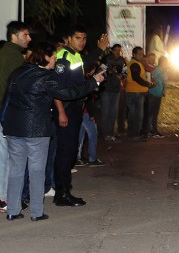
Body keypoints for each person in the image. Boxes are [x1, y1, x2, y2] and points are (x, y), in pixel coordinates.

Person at [2, 42, 104, 221]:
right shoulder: (45, 78)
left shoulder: (18, 72)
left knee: (16, 170)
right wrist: (93, 81)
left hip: (13, 127)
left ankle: (12, 210)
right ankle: (36, 212)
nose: (56, 61)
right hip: (36, 129)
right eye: (54, 58)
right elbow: (70, 92)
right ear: (46, 57)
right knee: (37, 170)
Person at [52, 25, 108, 207]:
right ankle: (61, 193)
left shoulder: (75, 55)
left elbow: (86, 64)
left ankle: (65, 190)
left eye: (84, 38)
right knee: (65, 151)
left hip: (76, 108)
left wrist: (99, 50)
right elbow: (56, 88)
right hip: (67, 109)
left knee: (69, 152)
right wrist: (61, 111)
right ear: (69, 38)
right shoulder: (63, 56)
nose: (82, 42)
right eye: (78, 38)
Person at [0, 21, 31, 212]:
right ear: (15, 35)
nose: (29, 38)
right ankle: (5, 199)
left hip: (3, 111)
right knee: (9, 157)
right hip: (7, 113)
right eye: (26, 35)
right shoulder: (14, 57)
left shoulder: (5, 52)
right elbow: (18, 89)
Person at [125, 47, 155, 141]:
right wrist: (148, 84)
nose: (141, 56)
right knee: (136, 115)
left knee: (135, 115)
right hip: (135, 93)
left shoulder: (137, 64)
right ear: (134, 54)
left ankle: (134, 134)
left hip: (136, 92)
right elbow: (136, 78)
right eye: (139, 54)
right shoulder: (135, 64)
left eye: (142, 54)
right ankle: (134, 135)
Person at [100, 44, 126, 143]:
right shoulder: (106, 59)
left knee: (113, 113)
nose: (118, 52)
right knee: (105, 112)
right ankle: (104, 134)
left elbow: (125, 72)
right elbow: (101, 71)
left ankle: (111, 133)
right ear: (112, 50)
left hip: (116, 89)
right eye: (116, 50)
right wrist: (110, 72)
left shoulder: (122, 61)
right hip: (106, 88)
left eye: (119, 50)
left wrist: (122, 76)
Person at [146, 56, 169, 138]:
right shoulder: (157, 71)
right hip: (153, 94)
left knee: (154, 114)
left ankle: (153, 131)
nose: (167, 64)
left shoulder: (162, 71)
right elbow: (151, 81)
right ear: (162, 62)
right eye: (166, 62)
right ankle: (149, 131)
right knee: (151, 113)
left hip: (157, 94)